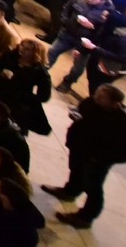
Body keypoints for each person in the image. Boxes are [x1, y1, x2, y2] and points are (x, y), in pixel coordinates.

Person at [42, 83, 126, 229]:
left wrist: (98, 158)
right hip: (79, 148)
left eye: (102, 98)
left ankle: (86, 217)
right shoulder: (92, 102)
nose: (97, 99)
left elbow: (121, 151)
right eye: (97, 95)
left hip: (97, 159)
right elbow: (80, 109)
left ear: (115, 103)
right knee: (75, 170)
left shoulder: (121, 122)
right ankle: (70, 191)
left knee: (93, 187)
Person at [0, 37, 51, 136]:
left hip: (18, 104)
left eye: (27, 49)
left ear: (35, 54)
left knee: (10, 131)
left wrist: (27, 96)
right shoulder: (10, 56)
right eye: (22, 45)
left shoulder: (39, 71)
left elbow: (44, 96)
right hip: (1, 95)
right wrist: (1, 73)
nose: (22, 49)